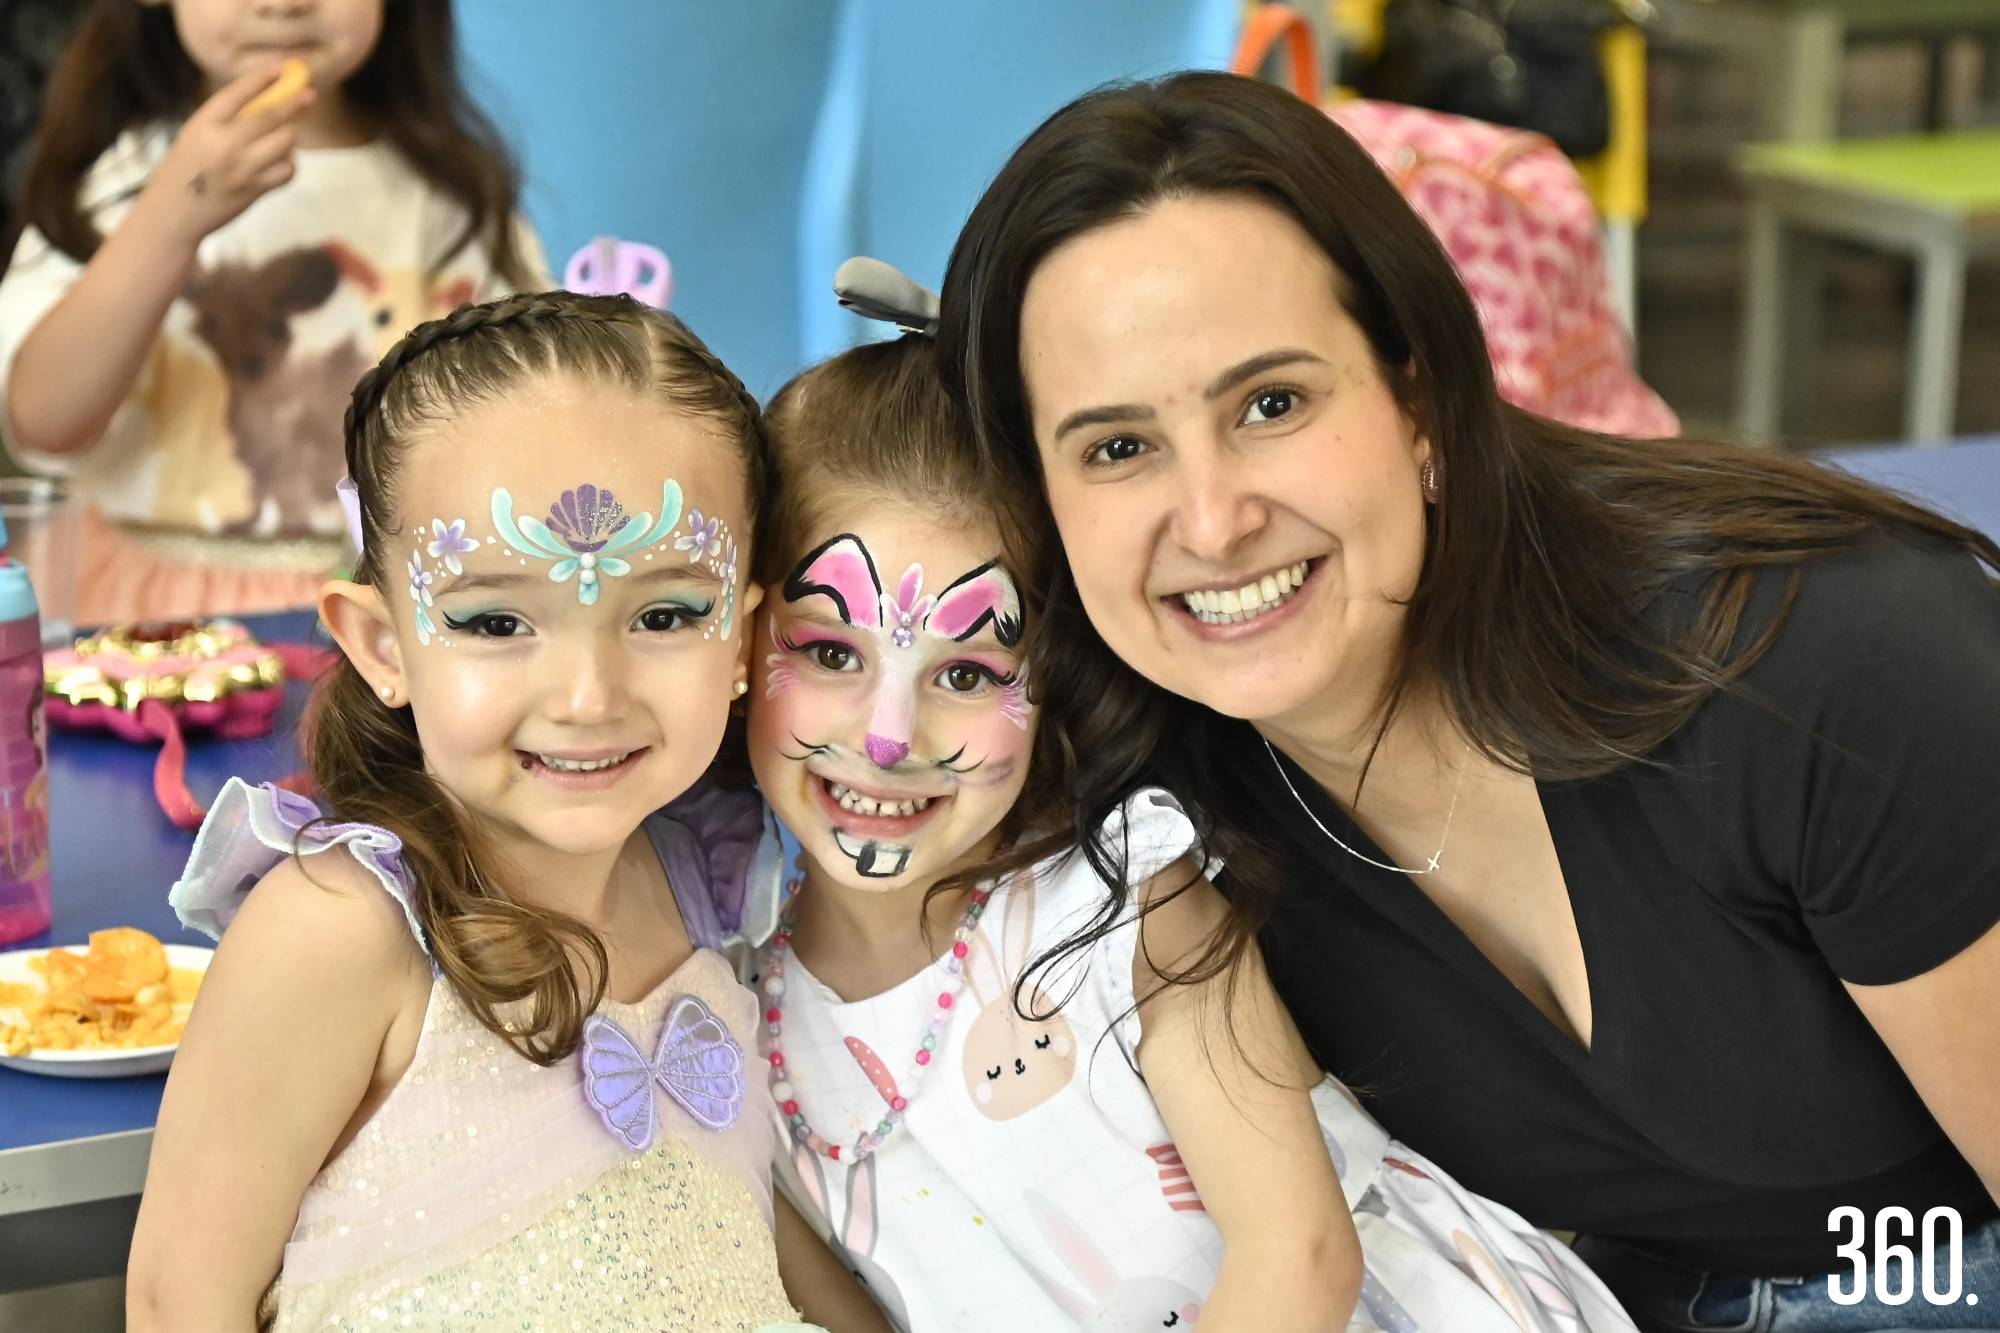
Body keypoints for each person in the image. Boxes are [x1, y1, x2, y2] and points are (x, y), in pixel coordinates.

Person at [934, 71, 2000, 1331]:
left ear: (1422, 403)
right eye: (1116, 447)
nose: (1211, 521)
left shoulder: (1816, 660)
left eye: (1270, 403)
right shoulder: (1139, 789)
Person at [739, 314, 1637, 1331]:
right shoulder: (738, 1021)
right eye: (826, 654)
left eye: (965, 673)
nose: (888, 736)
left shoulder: (1121, 905)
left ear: (1053, 676)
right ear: (740, 635)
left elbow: (1296, 1256)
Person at [126, 293, 882, 1333]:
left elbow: (726, 1203)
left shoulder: (710, 882)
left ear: (745, 637)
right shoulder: (339, 934)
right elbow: (179, 1303)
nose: (587, 694)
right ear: (382, 645)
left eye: (664, 613)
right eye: (494, 620)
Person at [0, 0, 549, 624]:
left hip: (383, 611)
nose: (283, 5)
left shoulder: (453, 197)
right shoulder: (118, 178)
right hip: (140, 610)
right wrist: (171, 219)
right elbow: (45, 422)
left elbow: (525, 416)